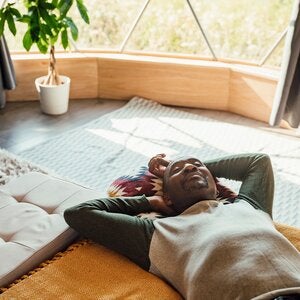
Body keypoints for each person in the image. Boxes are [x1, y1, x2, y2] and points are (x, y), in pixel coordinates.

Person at [64, 153, 300, 300]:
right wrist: (147, 201)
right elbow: (80, 214)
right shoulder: (158, 233)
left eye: (196, 165)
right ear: (167, 197)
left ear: (216, 186)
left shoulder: (250, 206)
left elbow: (258, 162)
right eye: (178, 171)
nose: (189, 168)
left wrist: (179, 166)